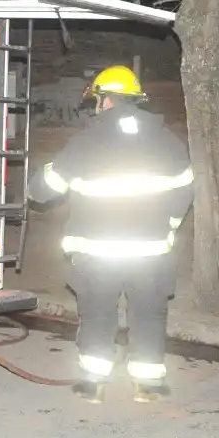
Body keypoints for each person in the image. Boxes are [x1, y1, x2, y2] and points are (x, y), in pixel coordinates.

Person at [28, 65, 195, 404]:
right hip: (150, 254)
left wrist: (39, 176)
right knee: (149, 314)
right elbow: (185, 191)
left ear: (104, 101)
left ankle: (93, 383)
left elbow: (44, 189)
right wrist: (169, 226)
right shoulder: (168, 141)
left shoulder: (87, 141)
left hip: (97, 255)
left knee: (98, 314)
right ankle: (148, 386)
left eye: (98, 101)